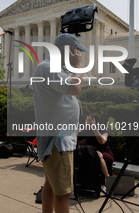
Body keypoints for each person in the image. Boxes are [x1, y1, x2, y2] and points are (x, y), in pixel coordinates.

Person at [33, 33, 87, 213]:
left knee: (50, 184)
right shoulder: (50, 67)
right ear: (65, 50)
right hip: (59, 142)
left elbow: (64, 99)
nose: (78, 55)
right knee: (63, 193)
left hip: (56, 139)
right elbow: (75, 88)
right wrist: (79, 66)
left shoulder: (53, 67)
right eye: (76, 51)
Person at [80, 113, 114, 177]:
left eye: (89, 122)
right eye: (86, 121)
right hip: (91, 152)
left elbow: (102, 141)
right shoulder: (85, 130)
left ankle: (107, 177)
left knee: (98, 154)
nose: (87, 124)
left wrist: (94, 128)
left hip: (104, 153)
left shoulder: (102, 128)